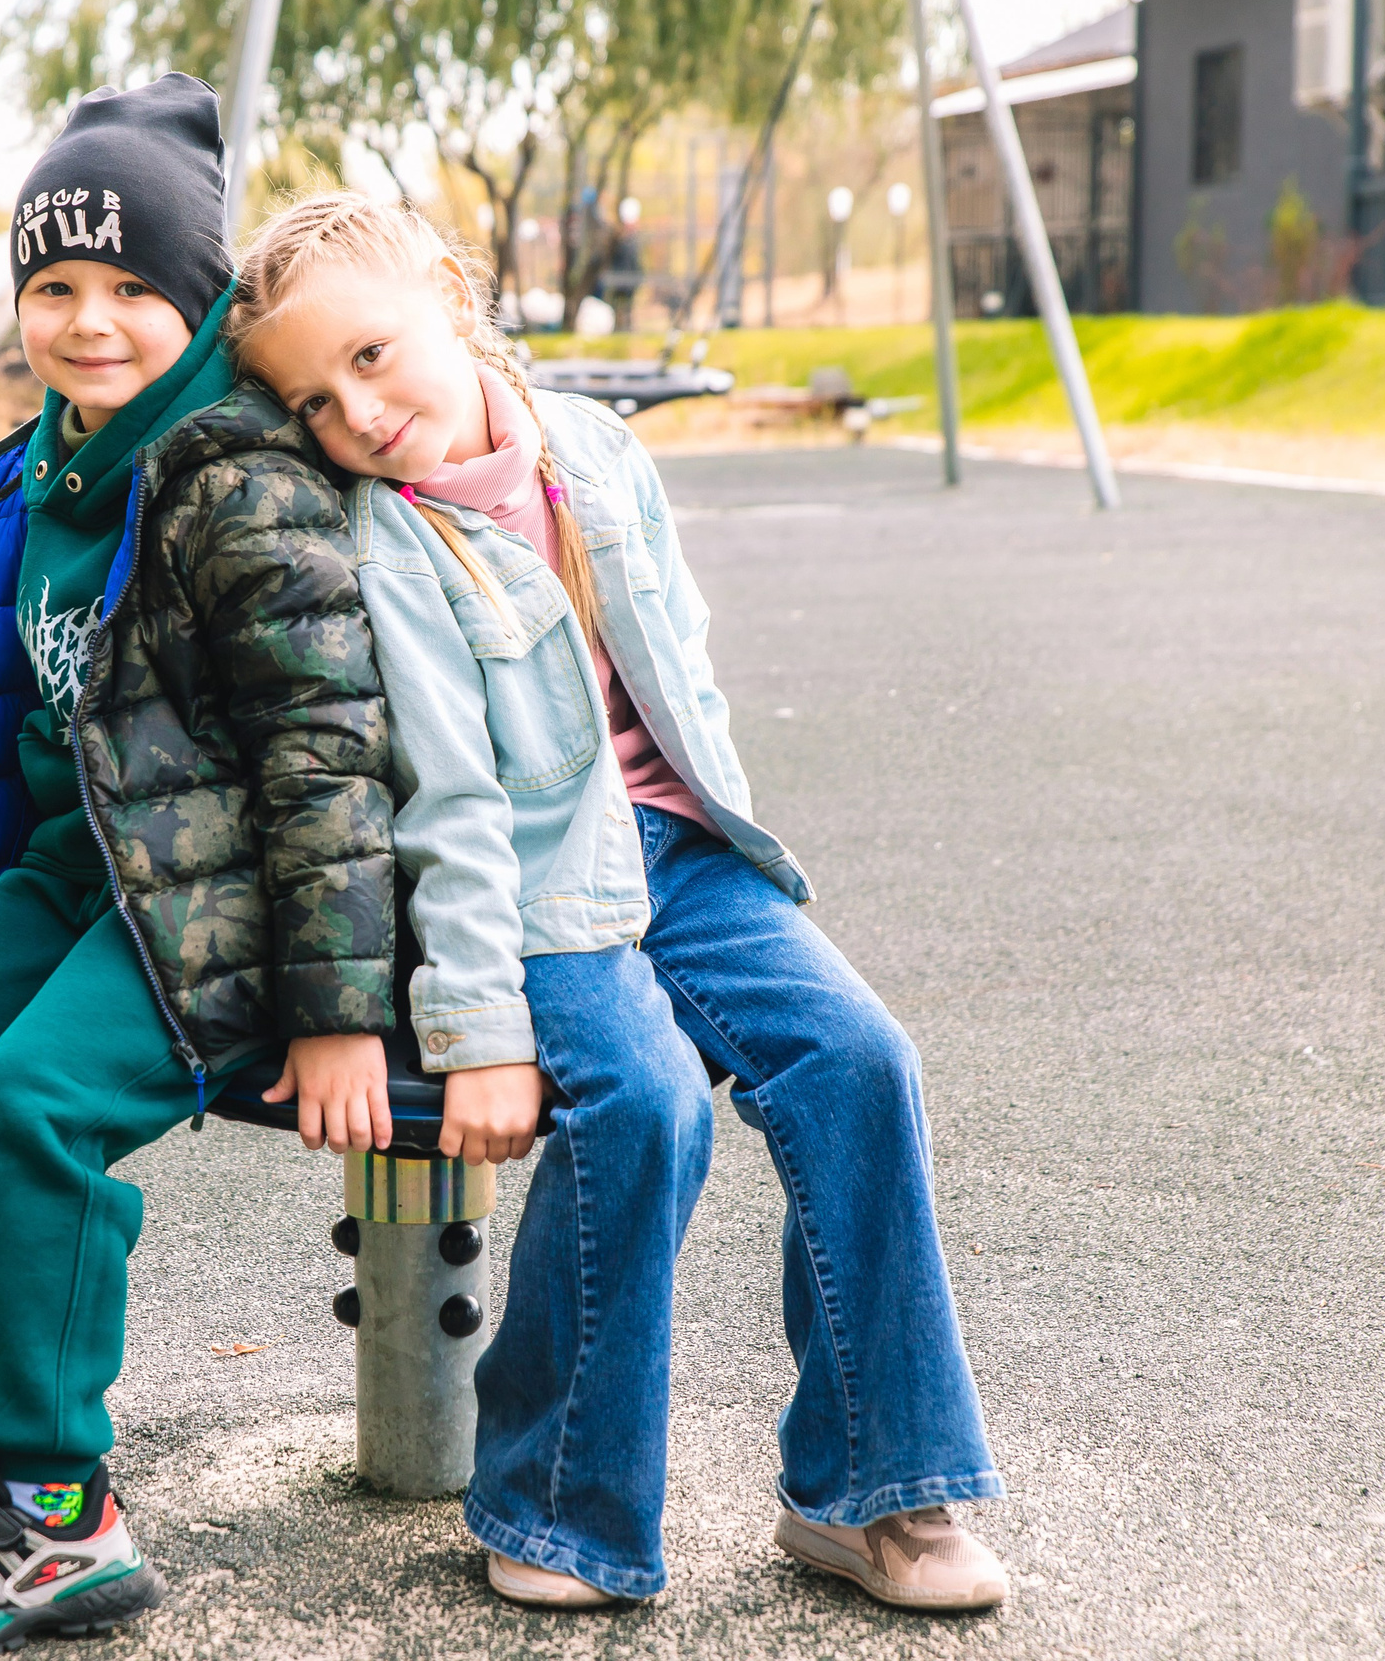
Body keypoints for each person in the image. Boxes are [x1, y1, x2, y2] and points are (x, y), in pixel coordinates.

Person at [227, 190, 1010, 1614]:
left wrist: (733, 837)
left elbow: (683, 669)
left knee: (858, 1061)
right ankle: (557, 1499)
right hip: (537, 898)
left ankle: (872, 1493)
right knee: (648, 1106)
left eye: (374, 356)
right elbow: (448, 812)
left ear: (453, 301)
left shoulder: (596, 453)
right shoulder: (389, 544)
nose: (355, 410)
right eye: (316, 398)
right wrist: (478, 1030)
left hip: (685, 852)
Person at [0, 77, 397, 1658]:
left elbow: (324, 755)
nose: (91, 320)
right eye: (55, 286)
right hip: (86, 869)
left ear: (196, 302)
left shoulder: (236, 479)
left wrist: (336, 1010)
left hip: (229, 899)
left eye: (135, 289)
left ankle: (59, 1512)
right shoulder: (39, 467)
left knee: (30, 1106)